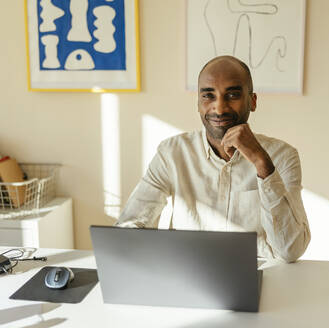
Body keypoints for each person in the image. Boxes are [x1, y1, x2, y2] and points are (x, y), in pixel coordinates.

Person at [116, 55, 310, 263]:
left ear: (252, 102)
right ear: (198, 103)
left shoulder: (282, 157)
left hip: (261, 274)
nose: (219, 108)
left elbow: (290, 250)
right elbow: (129, 228)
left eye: (233, 95)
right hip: (187, 274)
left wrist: (262, 162)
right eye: (208, 96)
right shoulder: (172, 153)